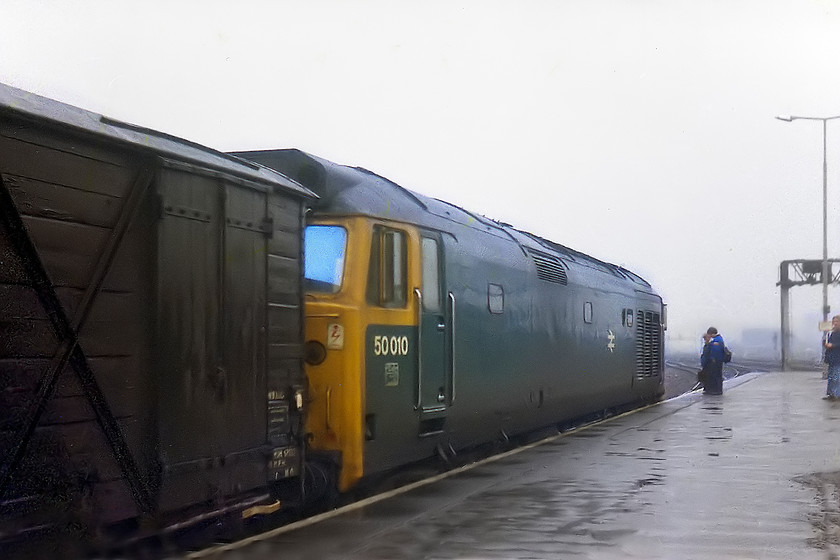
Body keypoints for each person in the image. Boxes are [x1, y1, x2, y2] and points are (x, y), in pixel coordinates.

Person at [700, 327, 725, 395]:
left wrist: (713, 359)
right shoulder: (717, 340)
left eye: (709, 334)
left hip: (715, 362)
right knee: (715, 376)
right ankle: (715, 390)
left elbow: (714, 351)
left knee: (715, 376)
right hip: (715, 361)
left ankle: (716, 390)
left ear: (712, 334)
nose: (709, 336)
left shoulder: (716, 341)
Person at [823, 315, 840, 399]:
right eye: (834, 322)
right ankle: (831, 394)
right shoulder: (832, 333)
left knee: (836, 377)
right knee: (830, 376)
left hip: (838, 358)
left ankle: (837, 394)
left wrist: (832, 345)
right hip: (832, 358)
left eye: (837, 321)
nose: (835, 323)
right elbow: (827, 343)